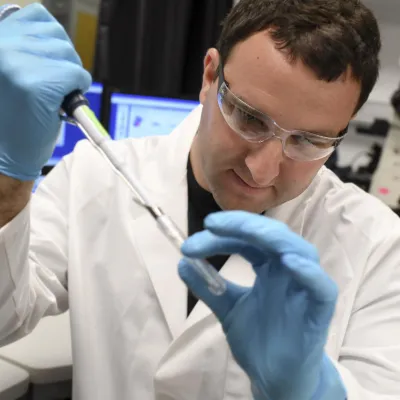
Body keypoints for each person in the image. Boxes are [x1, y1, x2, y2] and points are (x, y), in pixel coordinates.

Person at [0, 1, 398, 399]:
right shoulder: (94, 175)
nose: (263, 170)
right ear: (210, 76)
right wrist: (11, 176)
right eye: (250, 118)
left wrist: (312, 392)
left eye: (310, 141)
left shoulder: (379, 246)